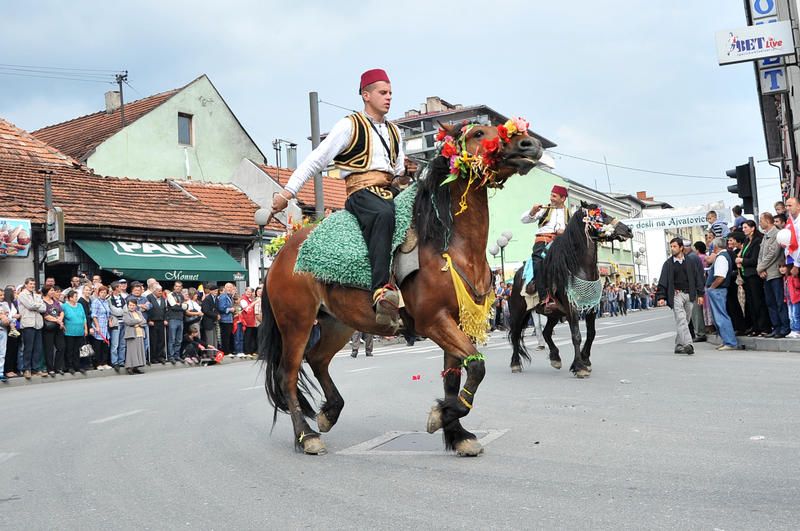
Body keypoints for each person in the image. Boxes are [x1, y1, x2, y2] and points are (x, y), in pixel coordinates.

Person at [270, 68, 413, 325]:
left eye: (391, 92)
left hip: (389, 190)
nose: (389, 97)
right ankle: (382, 292)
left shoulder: (395, 131)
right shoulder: (349, 125)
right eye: (383, 92)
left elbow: (398, 169)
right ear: (366, 95)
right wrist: (287, 192)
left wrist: (406, 175)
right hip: (361, 193)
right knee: (383, 214)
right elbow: (317, 159)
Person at [521, 184, 569, 306]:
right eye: (551, 195)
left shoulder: (569, 213)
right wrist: (533, 211)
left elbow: (573, 232)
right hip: (543, 241)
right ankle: (543, 298)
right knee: (538, 264)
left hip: (561, 243)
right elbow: (524, 220)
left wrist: (565, 232)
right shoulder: (544, 209)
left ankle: (570, 296)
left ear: (563, 199)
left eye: (554, 196)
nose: (551, 198)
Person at [656, 238, 705, 355]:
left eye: (674, 246)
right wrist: (661, 297)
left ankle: (679, 345)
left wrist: (700, 294)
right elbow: (663, 281)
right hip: (676, 295)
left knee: (686, 320)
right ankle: (689, 344)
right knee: (681, 320)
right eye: (671, 246)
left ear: (681, 247)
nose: (672, 249)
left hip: (690, 294)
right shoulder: (668, 264)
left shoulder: (690, 262)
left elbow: (698, 278)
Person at [756, 212, 790, 338]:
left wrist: (760, 267)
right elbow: (761, 254)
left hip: (775, 273)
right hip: (766, 274)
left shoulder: (776, 234)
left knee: (779, 302)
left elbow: (773, 254)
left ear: (767, 221)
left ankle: (784, 327)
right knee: (770, 303)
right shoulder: (765, 236)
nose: (760, 222)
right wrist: (760, 269)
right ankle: (776, 327)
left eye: (761, 220)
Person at [736, 220, 771, 337]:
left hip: (754, 275)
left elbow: (755, 259)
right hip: (746, 275)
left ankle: (764, 327)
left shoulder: (757, 241)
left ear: (752, 228)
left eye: (746, 227)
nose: (743, 229)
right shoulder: (746, 241)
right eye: (743, 227)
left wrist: (742, 261)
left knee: (758, 301)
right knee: (750, 302)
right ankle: (755, 327)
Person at [706, 237, 739, 350]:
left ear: (715, 247)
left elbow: (720, 277)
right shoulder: (724, 256)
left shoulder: (721, 258)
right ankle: (726, 340)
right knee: (719, 316)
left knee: (720, 316)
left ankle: (730, 342)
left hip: (718, 290)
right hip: (719, 290)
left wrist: (711, 287)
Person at [18, 277, 45, 379]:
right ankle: (27, 369)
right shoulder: (22, 294)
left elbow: (44, 308)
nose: (32, 286)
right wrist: (38, 305)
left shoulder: (37, 295)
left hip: (38, 324)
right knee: (28, 348)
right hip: (28, 324)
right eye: (30, 284)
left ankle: (36, 369)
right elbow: (29, 306)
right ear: (26, 285)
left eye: (33, 284)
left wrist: (36, 305)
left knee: (38, 348)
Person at [726, 232, 749, 334]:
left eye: (731, 240)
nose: (730, 242)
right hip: (736, 281)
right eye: (729, 240)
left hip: (740, 281)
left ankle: (743, 326)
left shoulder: (738, 251)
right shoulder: (733, 251)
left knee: (741, 304)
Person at [62, 289, 87, 375]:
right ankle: (69, 366)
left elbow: (84, 317)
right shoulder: (64, 306)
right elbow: (62, 317)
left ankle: (77, 366)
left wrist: (85, 328)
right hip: (69, 332)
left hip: (79, 331)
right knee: (70, 350)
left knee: (77, 350)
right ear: (70, 298)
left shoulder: (80, 305)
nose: (77, 298)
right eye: (75, 296)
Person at [41, 286, 65, 376]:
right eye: (51, 290)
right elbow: (45, 315)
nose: (53, 292)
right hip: (48, 328)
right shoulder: (42, 301)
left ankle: (58, 367)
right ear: (46, 291)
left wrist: (60, 319)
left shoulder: (55, 301)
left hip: (58, 327)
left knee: (61, 347)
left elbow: (61, 311)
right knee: (49, 349)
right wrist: (57, 320)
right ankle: (50, 368)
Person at [122, 298, 147, 374]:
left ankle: (137, 366)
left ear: (136, 306)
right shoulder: (126, 313)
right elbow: (129, 321)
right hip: (131, 334)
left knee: (139, 351)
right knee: (131, 351)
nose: (132, 307)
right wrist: (139, 321)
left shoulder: (139, 313)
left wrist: (138, 323)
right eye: (130, 305)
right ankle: (130, 367)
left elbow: (144, 321)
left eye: (133, 305)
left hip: (140, 333)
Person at [91, 285, 112, 370]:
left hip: (105, 326)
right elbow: (94, 315)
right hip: (99, 325)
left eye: (105, 293)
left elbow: (108, 313)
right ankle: (98, 363)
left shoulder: (106, 302)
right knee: (98, 346)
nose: (103, 294)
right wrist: (97, 326)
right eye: (101, 292)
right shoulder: (96, 302)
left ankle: (104, 362)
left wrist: (110, 321)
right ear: (98, 293)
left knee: (105, 346)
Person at [147, 284, 169, 364]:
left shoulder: (163, 298)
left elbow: (166, 310)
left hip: (161, 321)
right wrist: (149, 320)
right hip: (153, 322)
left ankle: (160, 356)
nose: (160, 292)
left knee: (161, 340)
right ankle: (153, 357)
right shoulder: (149, 297)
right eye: (159, 291)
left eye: (161, 291)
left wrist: (166, 319)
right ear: (154, 291)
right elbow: (147, 309)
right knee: (154, 340)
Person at [166, 281, 186, 364]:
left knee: (179, 339)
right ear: (174, 287)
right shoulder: (170, 295)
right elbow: (173, 306)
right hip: (172, 319)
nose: (178, 288)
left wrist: (179, 305)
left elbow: (185, 307)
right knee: (172, 339)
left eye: (180, 286)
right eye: (176, 286)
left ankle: (177, 355)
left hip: (180, 319)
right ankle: (171, 356)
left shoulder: (181, 295)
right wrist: (181, 305)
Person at [108, 280, 126, 369]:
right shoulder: (110, 299)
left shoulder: (122, 298)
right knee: (115, 344)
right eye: (119, 286)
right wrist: (122, 311)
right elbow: (115, 311)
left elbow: (126, 309)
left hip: (123, 322)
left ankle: (121, 360)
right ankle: (114, 361)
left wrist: (122, 311)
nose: (121, 287)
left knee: (122, 343)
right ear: (116, 288)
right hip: (115, 323)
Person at [780, 263, 800, 338]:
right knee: (790, 316)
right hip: (789, 300)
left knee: (796, 315)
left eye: (783, 267)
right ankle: (792, 330)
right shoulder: (784, 278)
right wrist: (785, 298)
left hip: (795, 299)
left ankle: (797, 330)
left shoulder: (792, 277)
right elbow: (785, 290)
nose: (781, 269)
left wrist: (795, 278)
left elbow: (797, 285)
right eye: (780, 267)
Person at [201, 283, 221, 351]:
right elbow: (206, 311)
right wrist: (216, 315)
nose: (216, 292)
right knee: (210, 339)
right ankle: (210, 354)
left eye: (217, 291)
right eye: (215, 291)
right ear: (211, 291)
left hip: (214, 321)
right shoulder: (207, 299)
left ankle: (215, 353)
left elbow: (217, 309)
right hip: (208, 321)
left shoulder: (216, 299)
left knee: (215, 339)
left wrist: (217, 314)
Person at [239, 287, 257, 356]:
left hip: (252, 320)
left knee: (251, 336)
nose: (249, 293)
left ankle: (251, 350)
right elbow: (247, 309)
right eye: (247, 291)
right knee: (247, 336)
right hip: (246, 320)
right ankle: (247, 351)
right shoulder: (243, 299)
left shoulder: (251, 299)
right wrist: (255, 302)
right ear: (245, 291)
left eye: (250, 292)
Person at [0, 289, 11, 382]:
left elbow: (8, 318)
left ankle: (1, 372)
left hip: (3, 330)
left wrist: (5, 316)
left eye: (3, 295)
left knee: (2, 352)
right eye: (0, 295)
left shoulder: (5, 305)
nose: (2, 297)